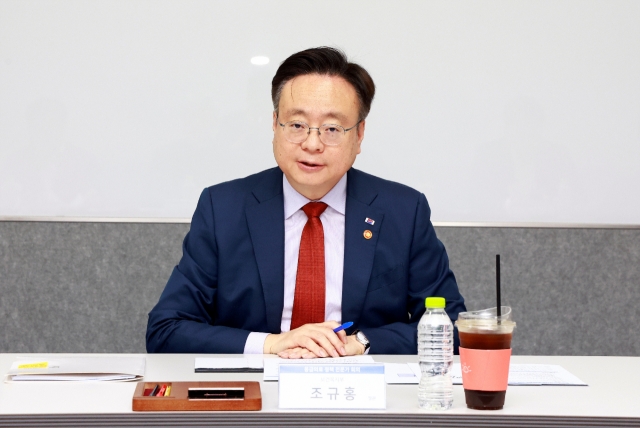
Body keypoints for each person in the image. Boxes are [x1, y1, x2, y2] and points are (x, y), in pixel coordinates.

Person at [146, 47, 466, 358]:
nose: (312, 144)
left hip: (361, 393)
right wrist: (272, 344)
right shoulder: (223, 208)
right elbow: (166, 330)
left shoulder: (403, 212)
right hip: (258, 396)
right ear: (275, 125)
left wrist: (362, 342)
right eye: (297, 125)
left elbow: (452, 328)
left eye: (332, 129)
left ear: (360, 134)